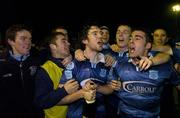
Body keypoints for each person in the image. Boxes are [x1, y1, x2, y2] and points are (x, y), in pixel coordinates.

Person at [110, 28, 180, 117]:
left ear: (147, 45)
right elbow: (109, 87)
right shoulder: (119, 63)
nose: (131, 41)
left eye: (137, 38)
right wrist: (114, 86)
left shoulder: (164, 65)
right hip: (124, 114)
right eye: (130, 38)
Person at [35, 32, 94, 118]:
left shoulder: (76, 63)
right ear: (53, 46)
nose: (69, 43)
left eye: (68, 41)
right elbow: (41, 101)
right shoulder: (45, 70)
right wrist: (64, 90)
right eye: (64, 41)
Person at [60, 24, 114, 118]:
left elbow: (111, 89)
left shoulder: (107, 63)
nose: (101, 36)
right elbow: (60, 98)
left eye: (101, 33)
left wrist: (96, 87)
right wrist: (82, 93)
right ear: (85, 40)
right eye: (95, 33)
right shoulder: (74, 64)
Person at [0, 24, 42, 118]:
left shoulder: (38, 61)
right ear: (11, 41)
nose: (28, 42)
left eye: (30, 39)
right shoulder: (2, 64)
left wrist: (73, 55)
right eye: (23, 38)